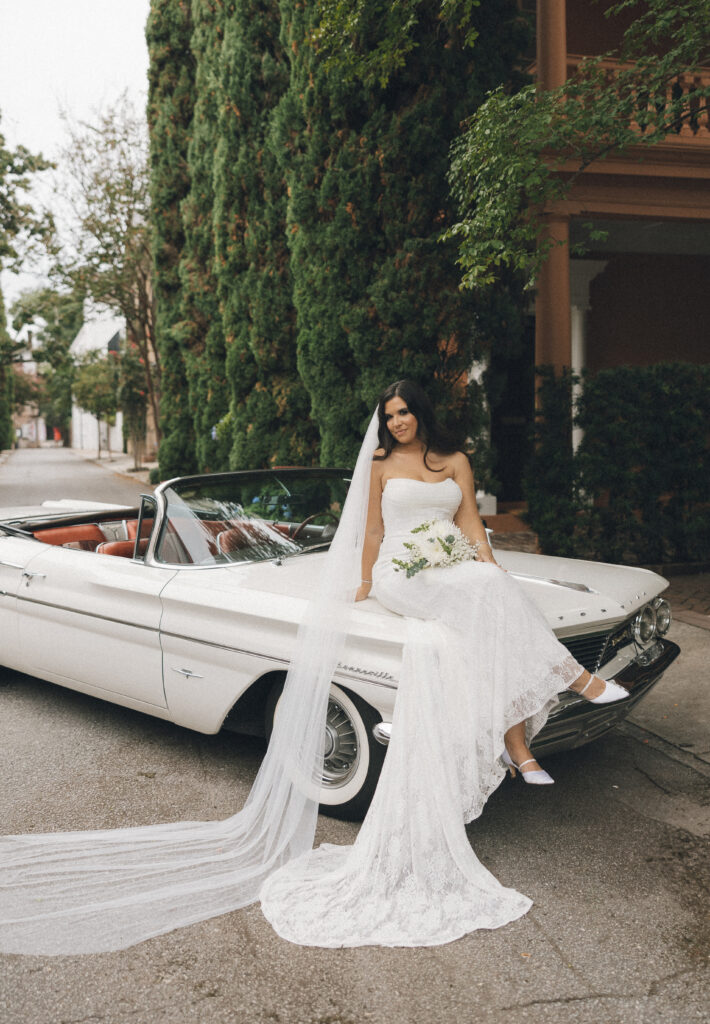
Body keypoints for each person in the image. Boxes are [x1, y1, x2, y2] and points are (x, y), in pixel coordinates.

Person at [0, 380, 627, 955]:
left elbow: (468, 528)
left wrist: (488, 568)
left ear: (421, 416)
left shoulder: (452, 463)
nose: (399, 421)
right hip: (404, 574)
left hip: (446, 572)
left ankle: (522, 723)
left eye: (406, 412)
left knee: (485, 603)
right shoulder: (380, 468)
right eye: (391, 415)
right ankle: (547, 705)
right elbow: (376, 536)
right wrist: (361, 583)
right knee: (464, 623)